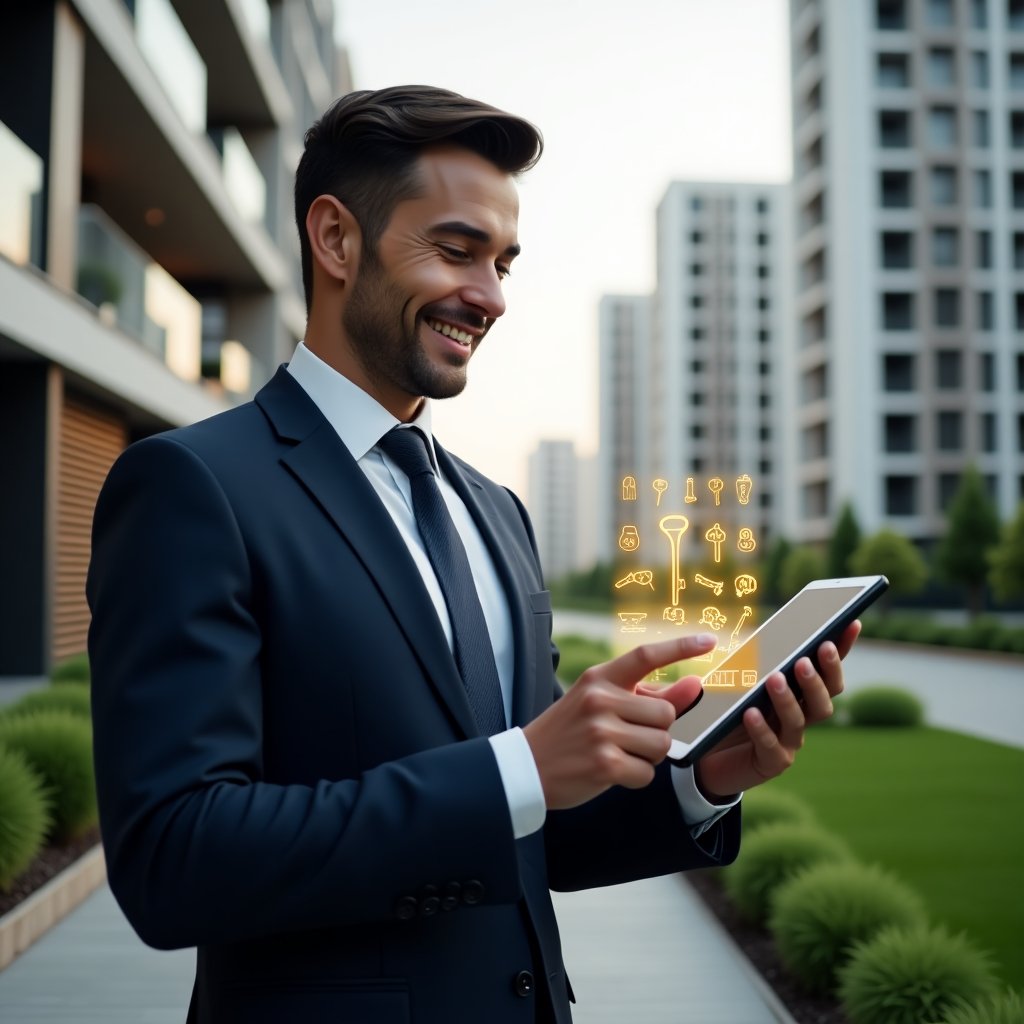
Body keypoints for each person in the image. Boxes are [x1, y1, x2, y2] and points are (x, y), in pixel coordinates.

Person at [87, 85, 856, 1024]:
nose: (489, 296)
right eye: (456, 251)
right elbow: (175, 859)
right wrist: (520, 767)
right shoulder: (191, 487)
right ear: (335, 240)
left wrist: (698, 778)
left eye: (503, 262)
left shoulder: (495, 513)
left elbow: (532, 824)